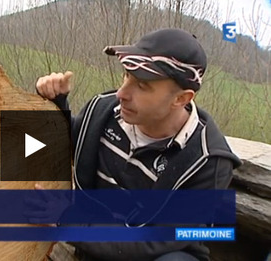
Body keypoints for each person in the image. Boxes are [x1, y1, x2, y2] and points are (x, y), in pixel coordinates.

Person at [35, 28, 242, 261]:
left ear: (181, 98)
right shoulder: (103, 111)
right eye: (126, 75)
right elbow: (68, 145)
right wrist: (54, 103)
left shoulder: (207, 160)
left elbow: (157, 240)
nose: (122, 93)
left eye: (142, 85)